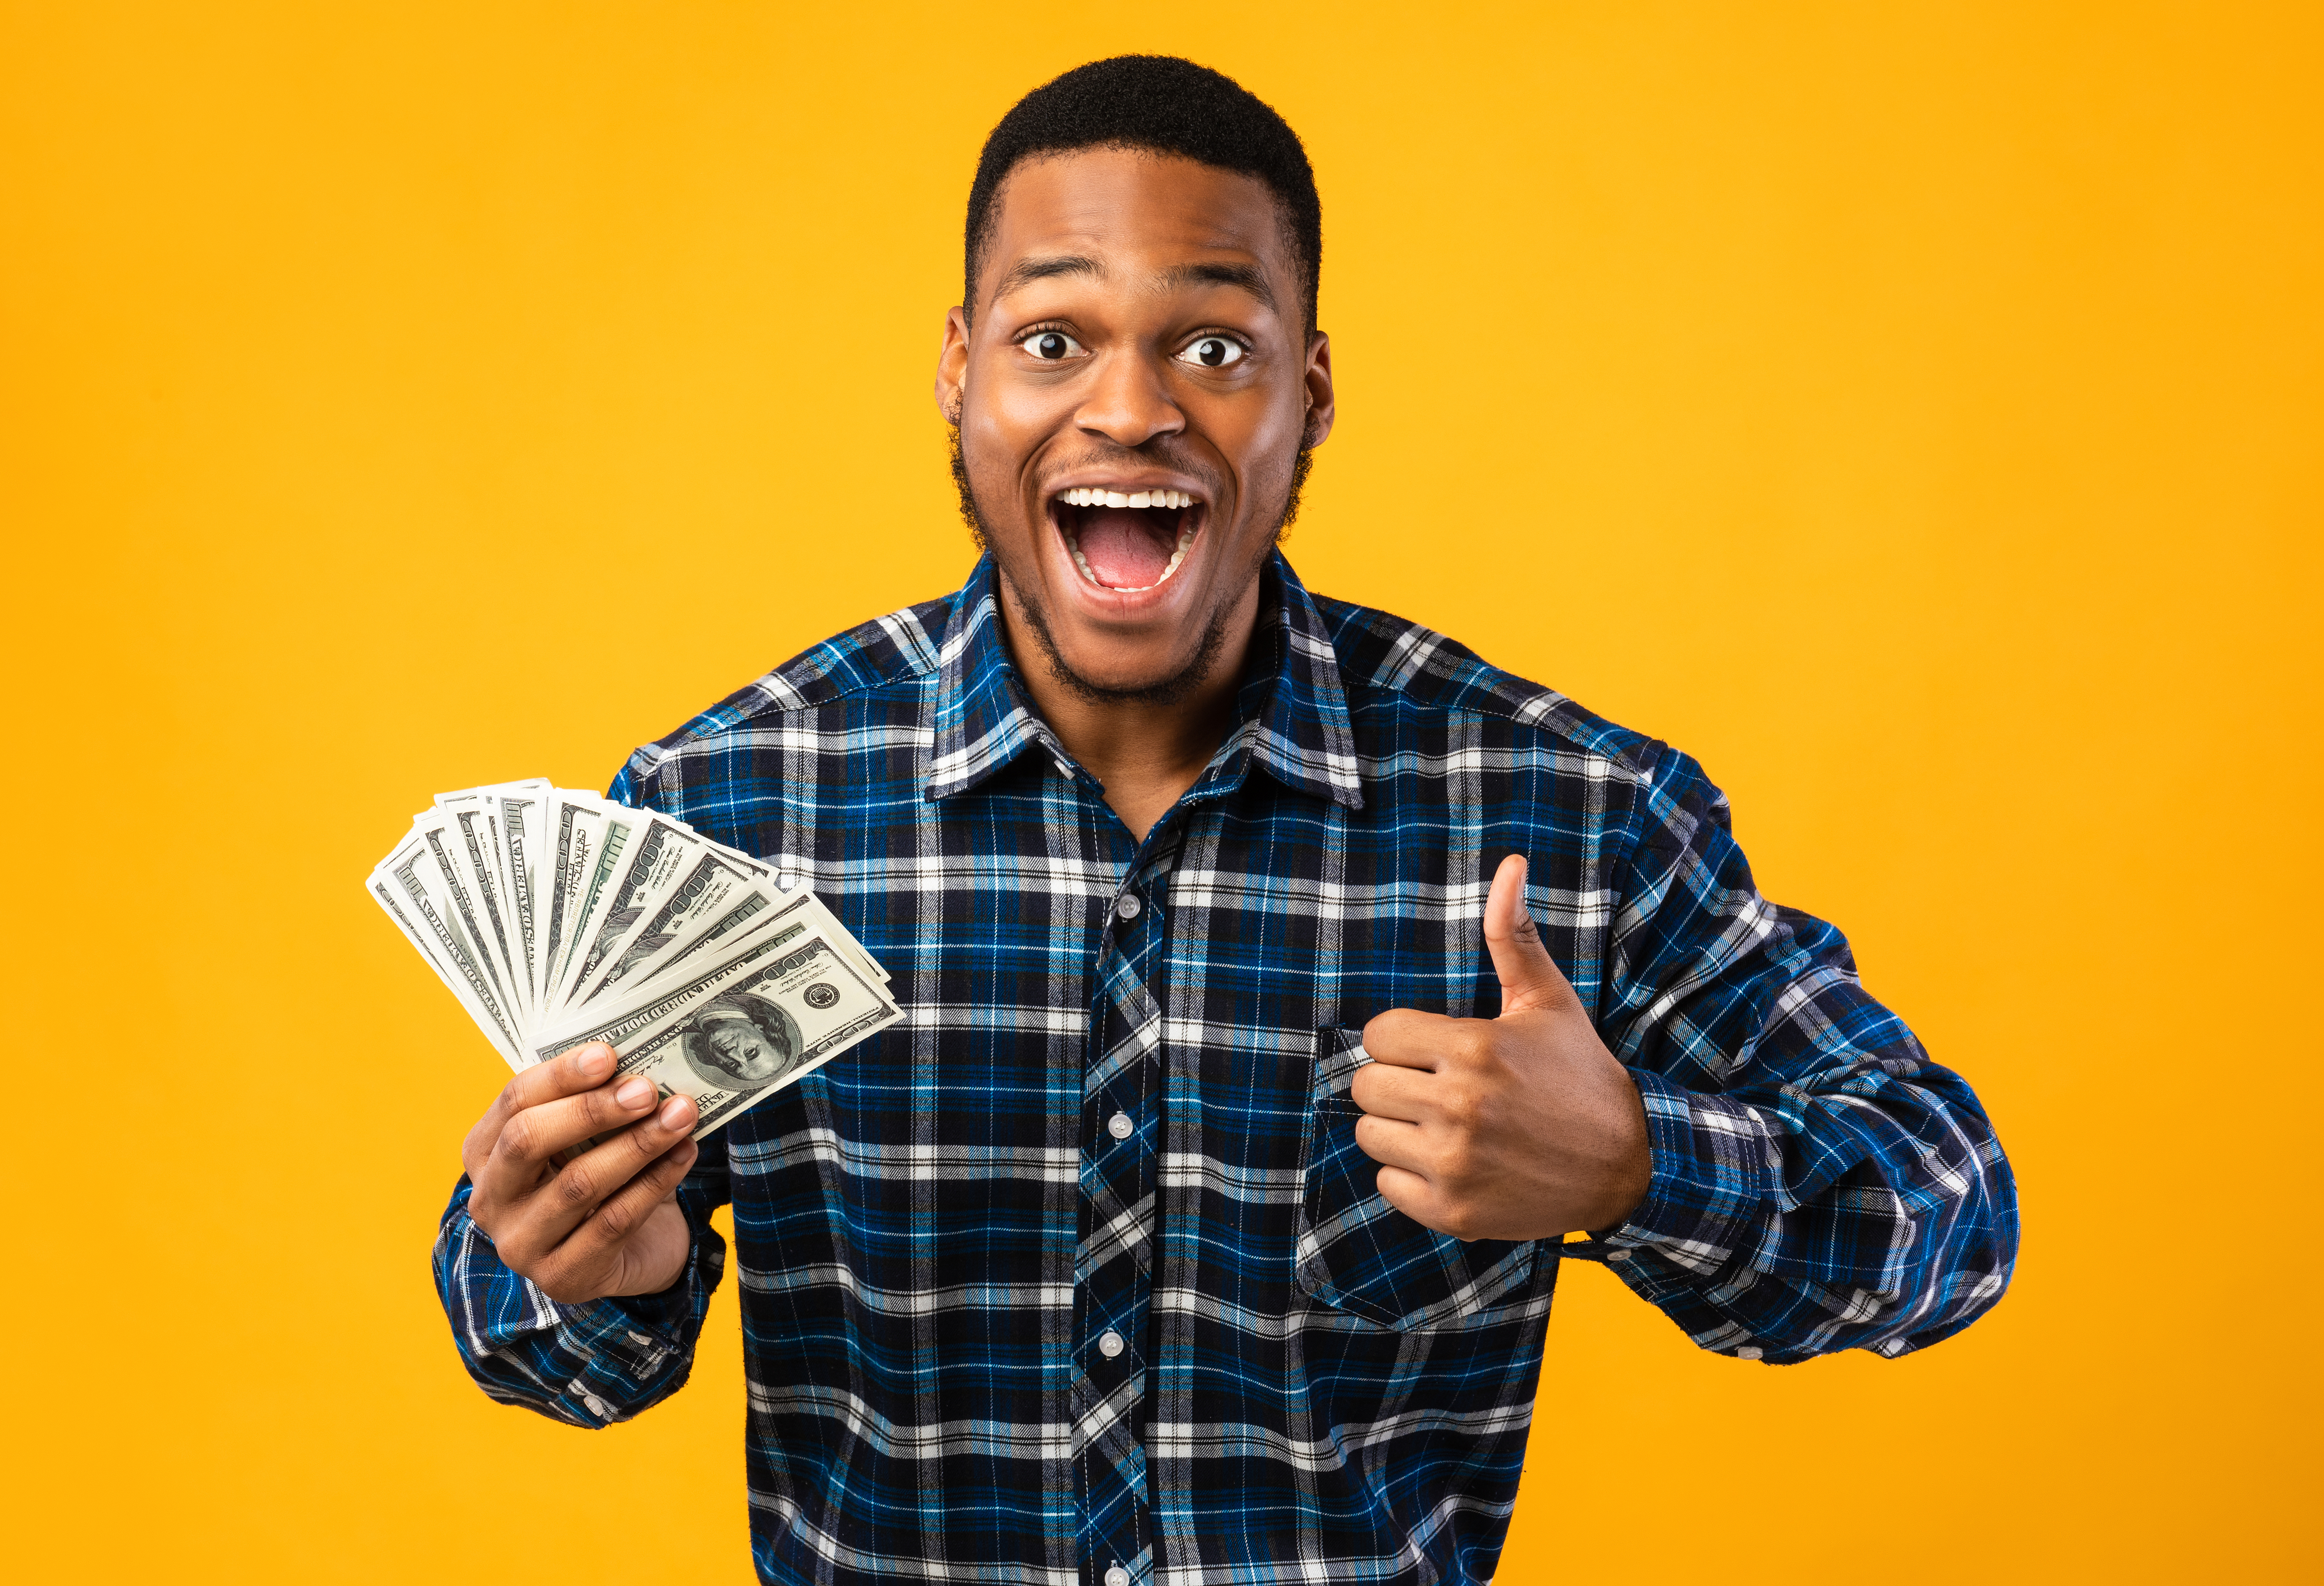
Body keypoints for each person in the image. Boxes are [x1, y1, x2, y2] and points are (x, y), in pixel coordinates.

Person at [437, 55, 2019, 1586]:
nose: (1130, 409)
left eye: (1213, 346)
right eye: (1053, 340)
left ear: (1308, 392)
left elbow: (1951, 1211)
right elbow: (539, 1348)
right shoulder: (730, 806)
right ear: (957, 370)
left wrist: (1634, 1164)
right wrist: (594, 1273)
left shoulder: (1571, 818)